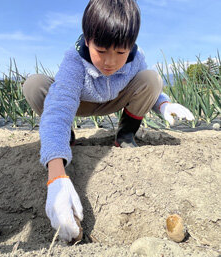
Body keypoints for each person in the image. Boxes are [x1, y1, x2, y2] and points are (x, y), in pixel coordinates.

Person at [23, 0, 194, 242]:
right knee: (35, 85)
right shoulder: (74, 59)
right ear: (87, 40)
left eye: (120, 53)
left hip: (116, 98)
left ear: (131, 45)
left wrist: (164, 103)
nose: (110, 62)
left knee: (153, 79)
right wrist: (56, 175)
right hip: (79, 102)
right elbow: (59, 106)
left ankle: (125, 136)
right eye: (101, 51)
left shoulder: (136, 56)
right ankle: (65, 141)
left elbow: (145, 85)